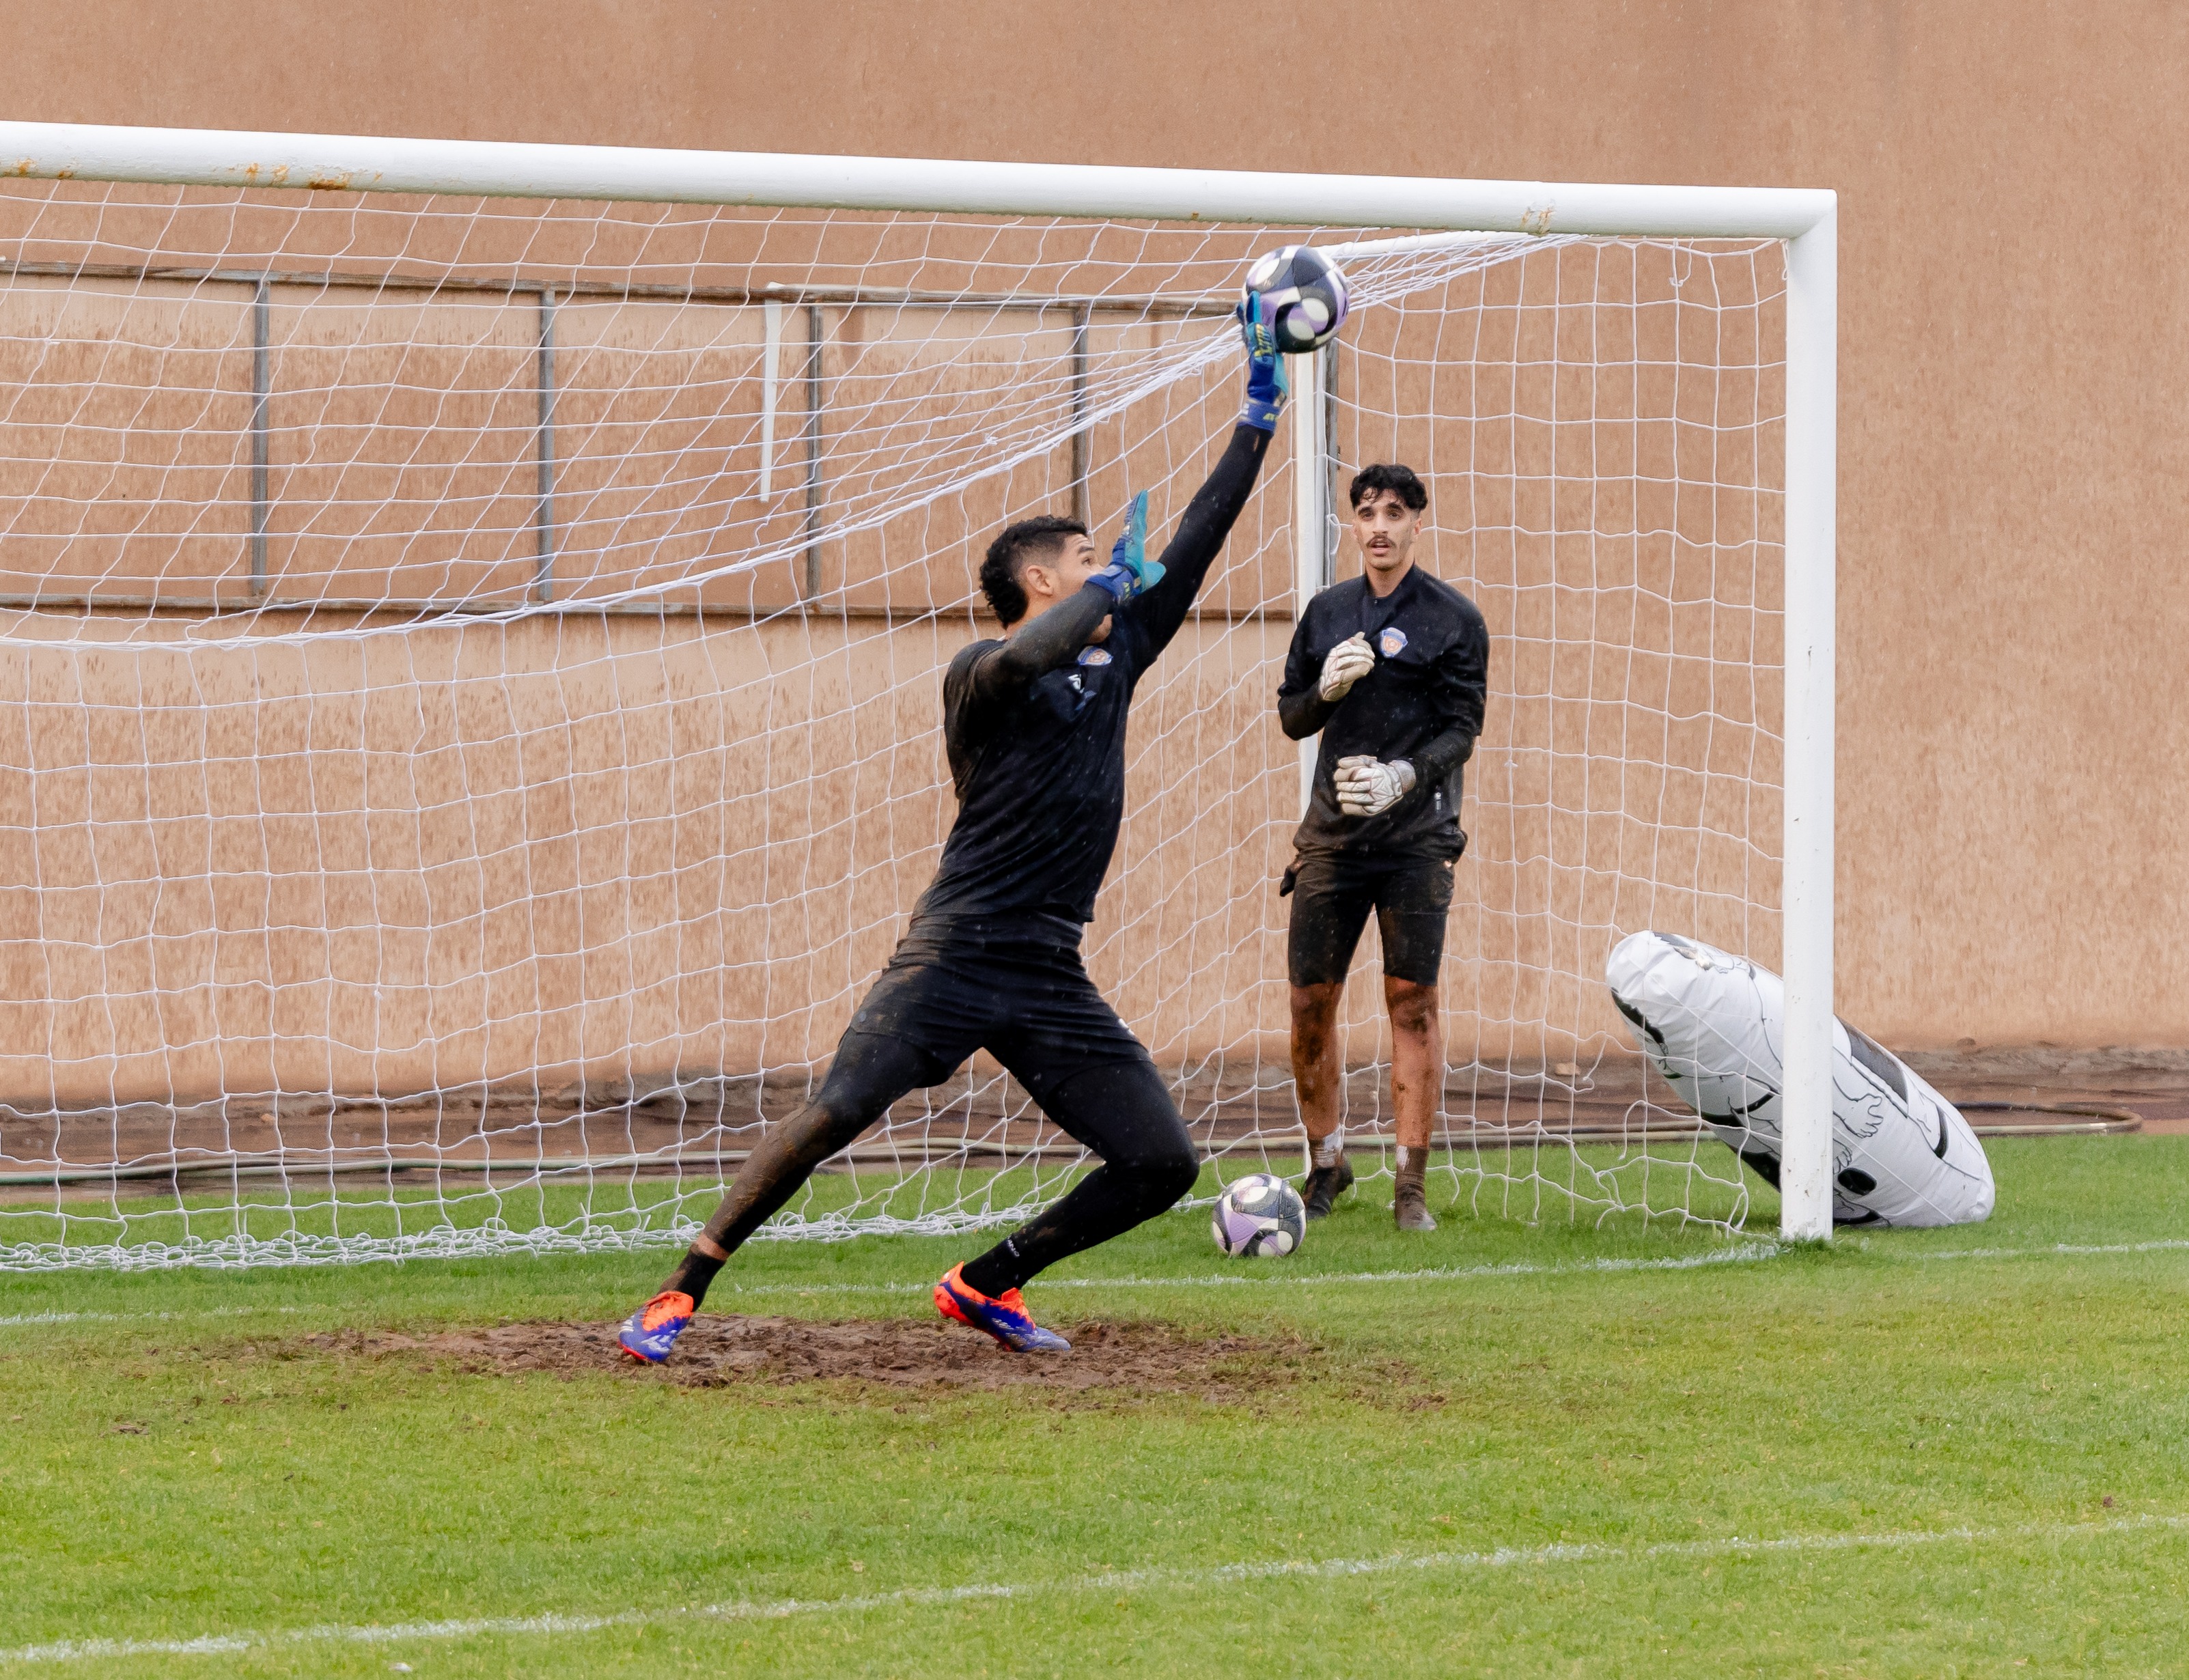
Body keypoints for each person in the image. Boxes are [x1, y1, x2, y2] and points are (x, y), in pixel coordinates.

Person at [617, 296, 1290, 1362]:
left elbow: (1200, 539)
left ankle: (986, 1284)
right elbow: (1030, 659)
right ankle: (680, 1291)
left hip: (1047, 970)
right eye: (1083, 558)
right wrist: (1109, 586)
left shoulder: (1114, 656)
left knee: (1161, 1163)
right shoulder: (982, 674)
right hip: (956, 952)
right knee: (837, 1111)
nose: (1107, 568)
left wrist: (1259, 411)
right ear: (1041, 581)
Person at [1277, 463, 1489, 1231]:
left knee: (1412, 1004)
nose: (1378, 526)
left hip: (1416, 839)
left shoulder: (1451, 618)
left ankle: (1410, 1186)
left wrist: (1407, 774)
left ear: (1417, 524)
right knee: (1310, 1005)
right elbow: (1292, 718)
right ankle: (1327, 1162)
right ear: (1352, 524)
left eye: (1393, 512)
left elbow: (1463, 728)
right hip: (1332, 839)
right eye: (1365, 512)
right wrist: (1325, 691)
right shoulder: (1326, 613)